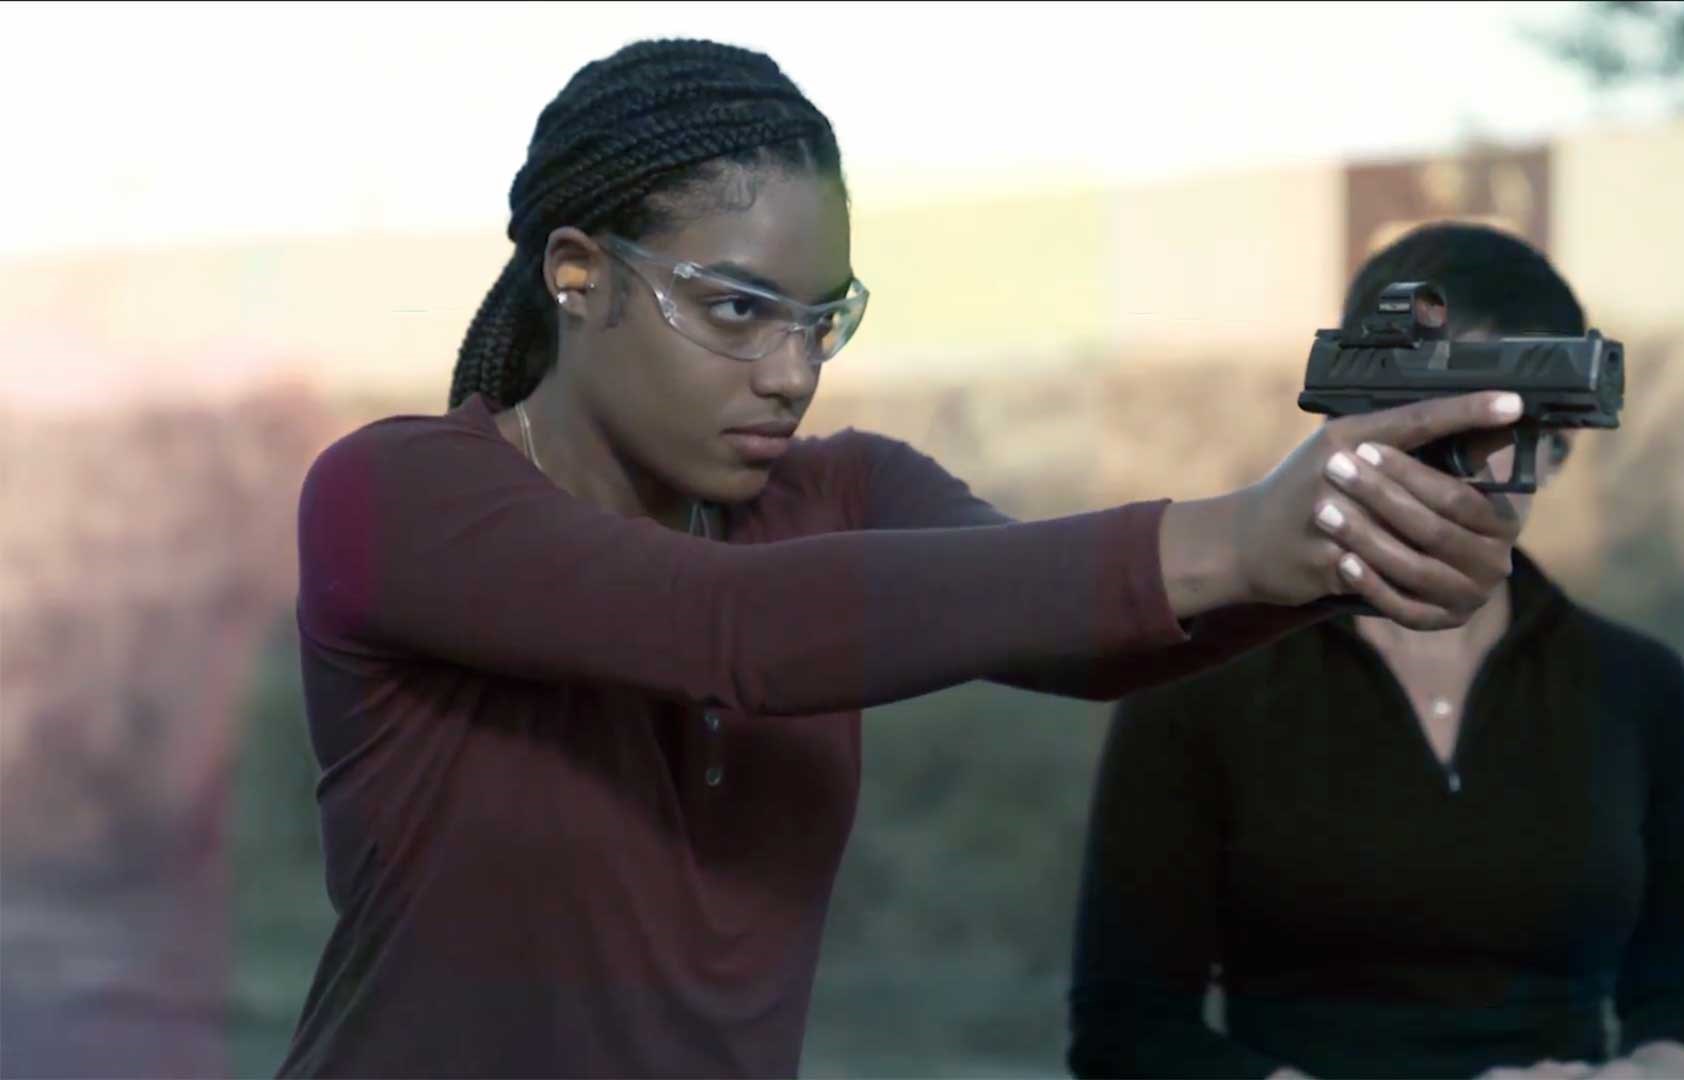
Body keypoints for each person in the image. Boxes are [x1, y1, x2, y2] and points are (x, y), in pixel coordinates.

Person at [277, 41, 1534, 1079]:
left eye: (822, 320)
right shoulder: (393, 500)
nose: (792, 370)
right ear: (576, 274)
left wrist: (1333, 542)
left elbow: (1072, 628)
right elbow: (734, 631)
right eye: (735, 308)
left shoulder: (844, 490)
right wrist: (1238, 534)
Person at [1065, 222, 1684, 1080]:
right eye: (1442, 419)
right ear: (1359, 425)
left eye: (1516, 423)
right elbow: (1127, 1027)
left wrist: (1643, 1077)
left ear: (1561, 441)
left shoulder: (1637, 686)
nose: (1479, 465)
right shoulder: (1205, 675)